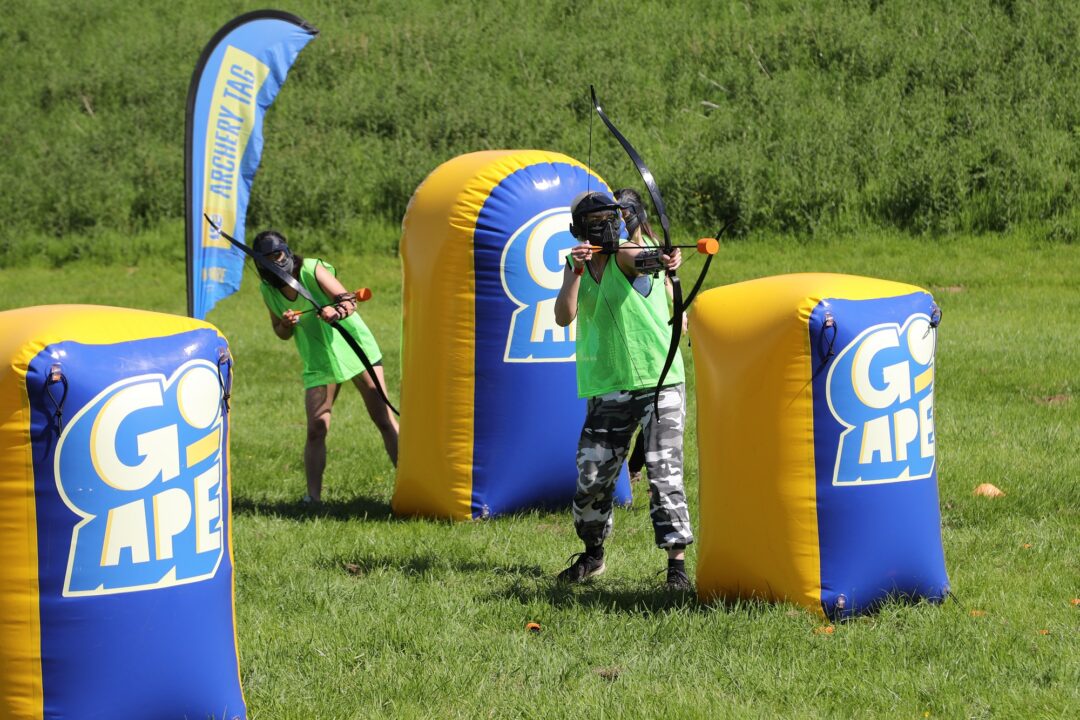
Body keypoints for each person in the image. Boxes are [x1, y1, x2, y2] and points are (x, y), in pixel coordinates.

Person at [552, 190, 694, 590]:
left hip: (659, 379)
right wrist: (577, 275)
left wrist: (664, 260)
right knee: (592, 478)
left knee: (663, 470)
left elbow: (646, 260)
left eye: (611, 218)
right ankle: (593, 555)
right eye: (595, 220)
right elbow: (564, 316)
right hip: (606, 385)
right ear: (579, 228)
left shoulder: (630, 251)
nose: (605, 226)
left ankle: (677, 569)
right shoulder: (574, 263)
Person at [253, 229, 399, 504]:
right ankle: (313, 499)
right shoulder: (267, 289)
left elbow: (348, 299)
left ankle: (409, 484)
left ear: (286, 251)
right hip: (319, 361)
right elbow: (279, 332)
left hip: (355, 349)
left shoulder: (312, 268)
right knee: (316, 428)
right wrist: (285, 324)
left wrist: (336, 311)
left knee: (382, 418)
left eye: (278, 255)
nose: (275, 261)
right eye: (267, 259)